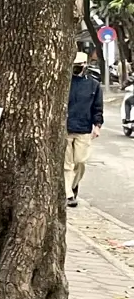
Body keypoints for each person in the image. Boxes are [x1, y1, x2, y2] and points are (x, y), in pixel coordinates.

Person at [65, 50, 102, 207]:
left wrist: (97, 125)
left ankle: (73, 185)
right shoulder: (64, 83)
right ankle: (68, 195)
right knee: (66, 165)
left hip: (84, 128)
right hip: (66, 128)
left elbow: (97, 107)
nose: (76, 68)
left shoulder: (93, 85)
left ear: (85, 66)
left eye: (79, 66)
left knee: (80, 161)